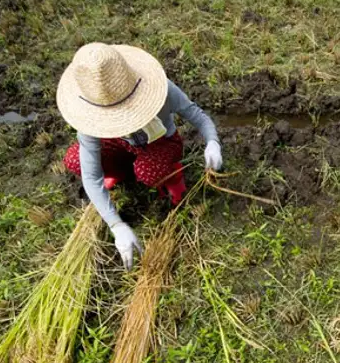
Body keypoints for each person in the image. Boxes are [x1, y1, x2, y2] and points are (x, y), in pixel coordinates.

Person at [56, 42, 221, 269]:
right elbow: (90, 176)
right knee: (74, 159)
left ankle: (172, 175)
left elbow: (197, 115)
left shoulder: (162, 90)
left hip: (160, 143)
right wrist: (117, 226)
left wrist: (212, 142)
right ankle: (120, 172)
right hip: (117, 146)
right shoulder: (90, 120)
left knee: (147, 172)